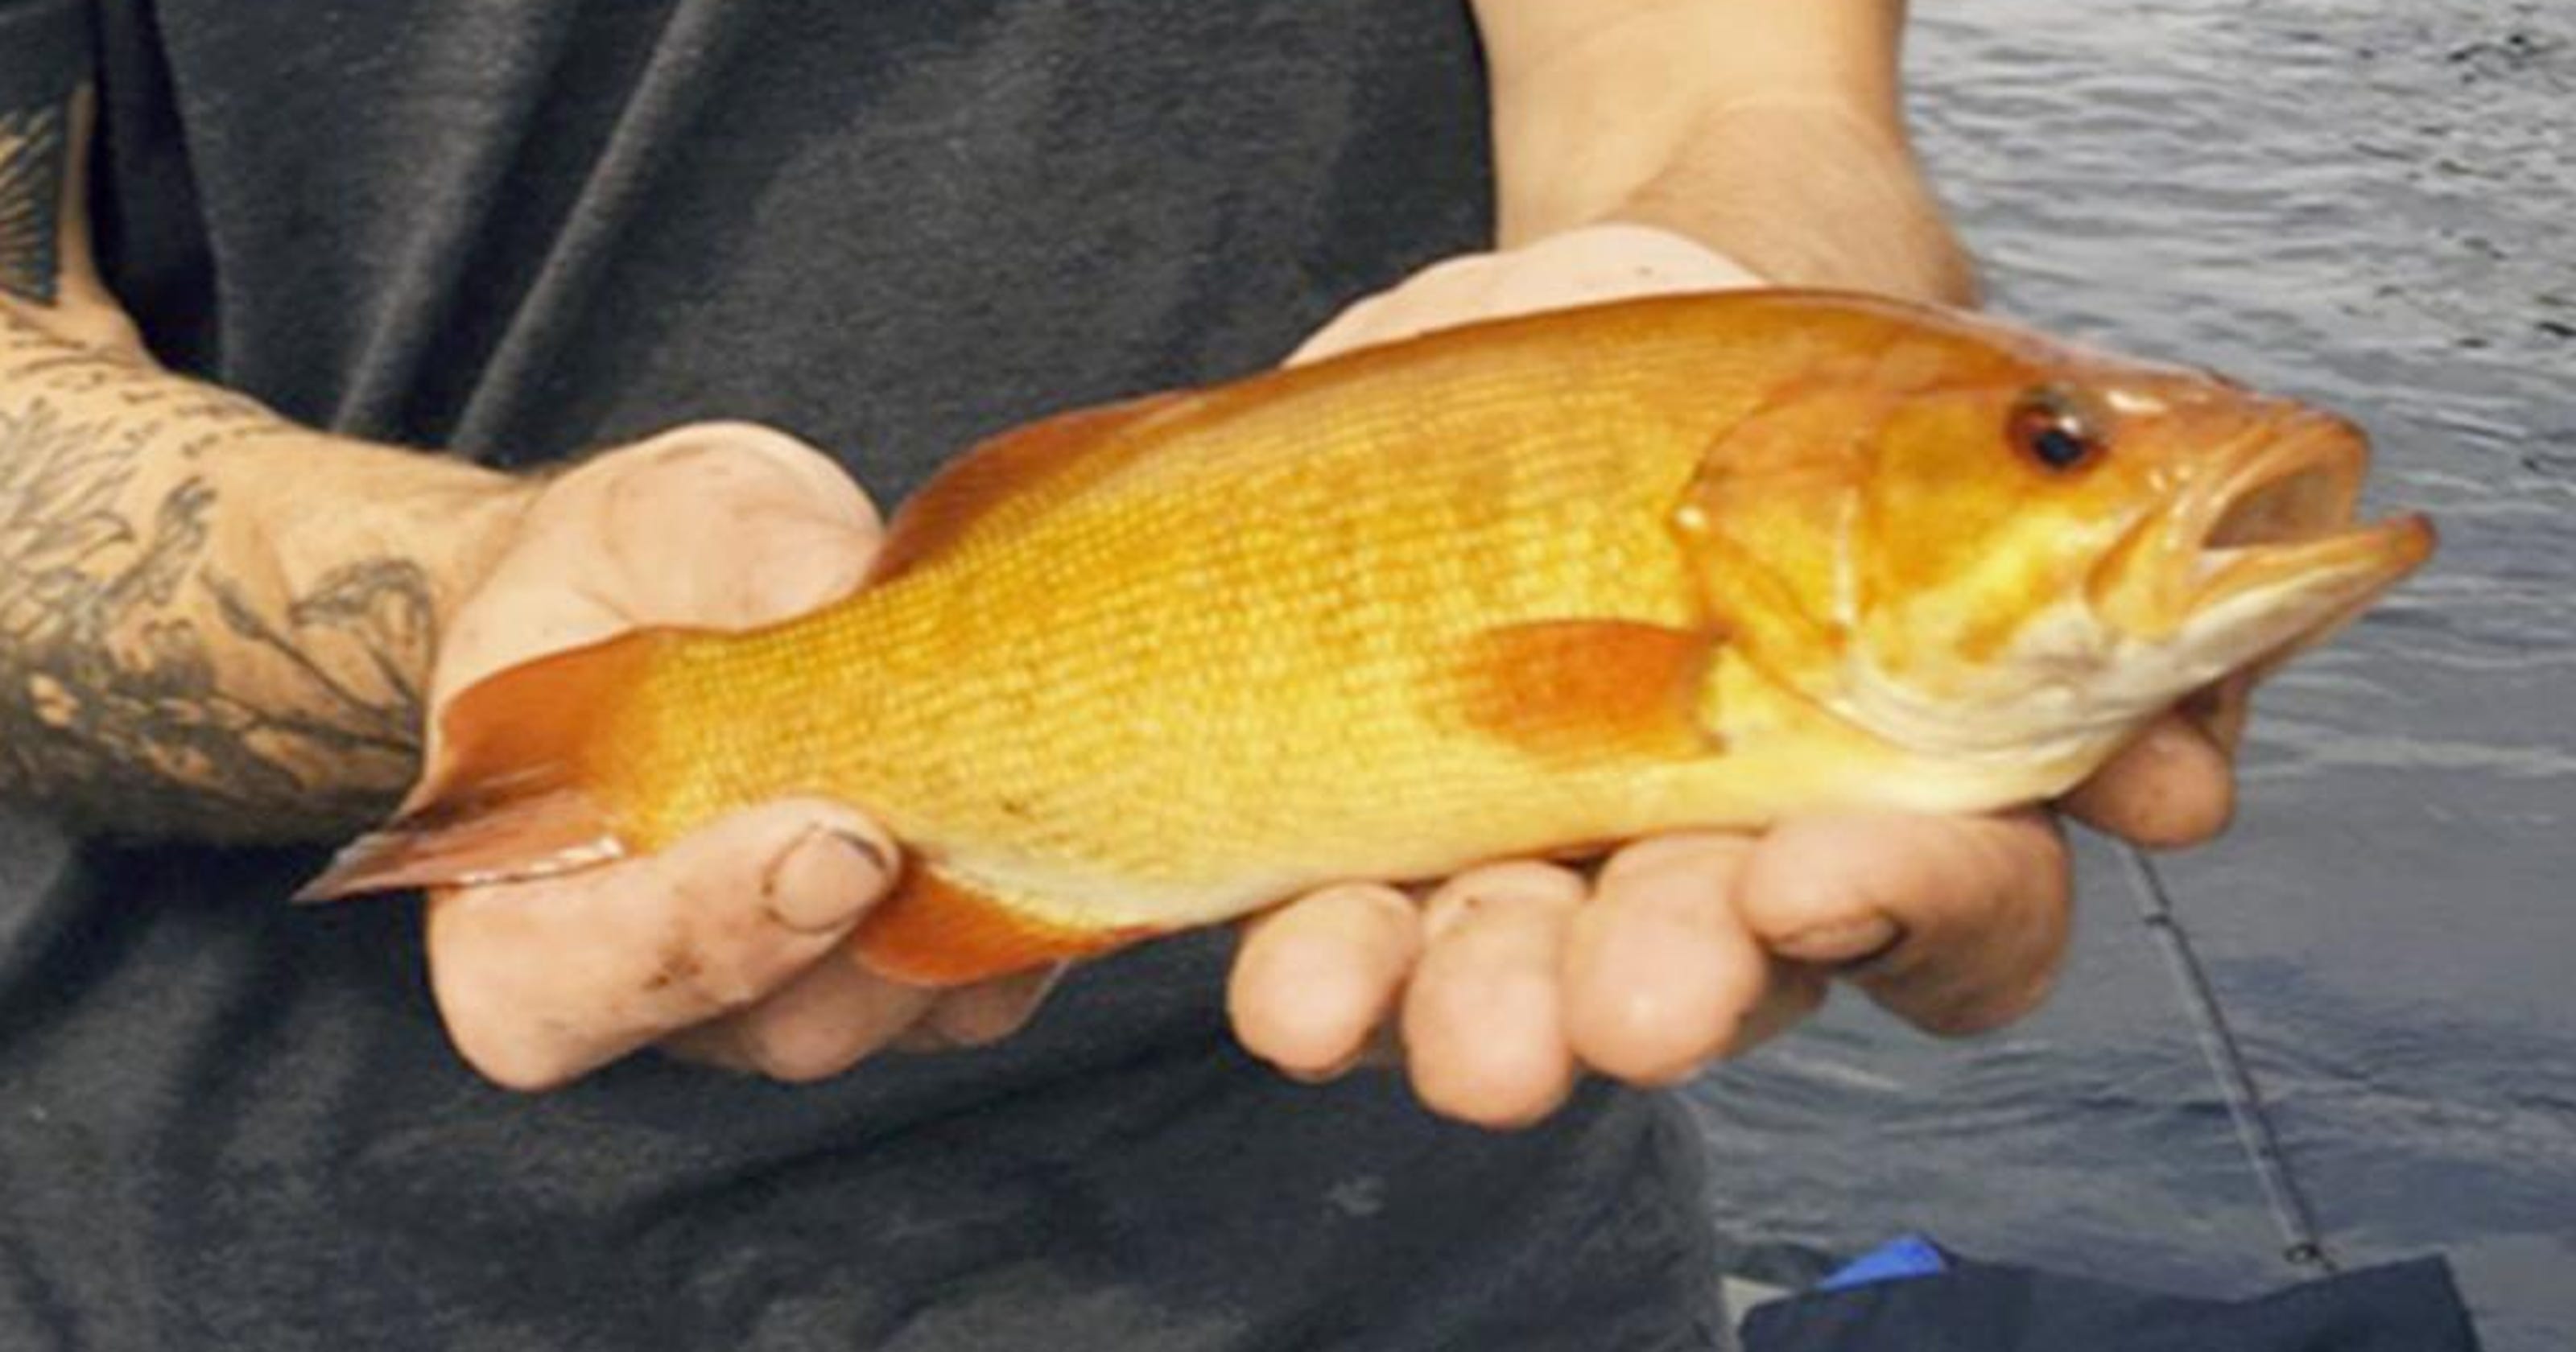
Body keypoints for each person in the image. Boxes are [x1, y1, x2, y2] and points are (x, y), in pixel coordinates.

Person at [0, 1, 2244, 1346]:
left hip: (1425, 1270)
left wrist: (1750, 291)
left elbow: (1708, 79)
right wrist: (464, 600)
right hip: (219, 1262)